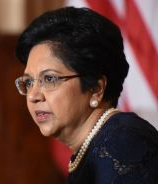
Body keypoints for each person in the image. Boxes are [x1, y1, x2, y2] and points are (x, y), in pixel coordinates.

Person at [14, 6, 158, 184]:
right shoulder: (95, 148)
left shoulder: (122, 144)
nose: (32, 96)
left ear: (96, 88)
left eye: (49, 78)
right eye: (28, 82)